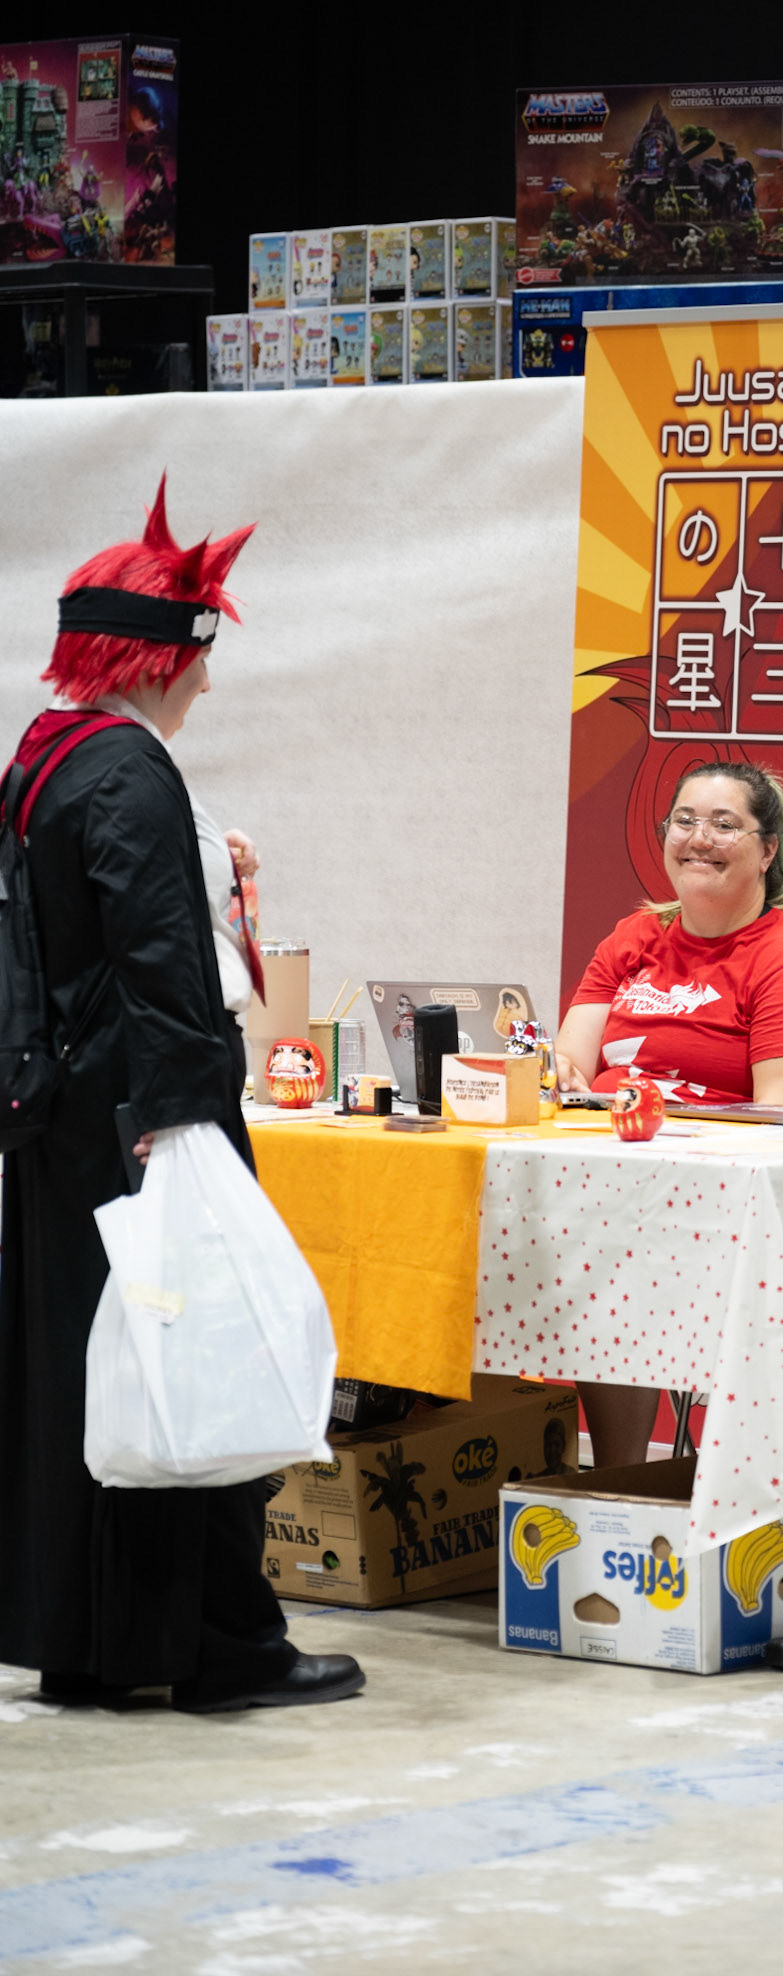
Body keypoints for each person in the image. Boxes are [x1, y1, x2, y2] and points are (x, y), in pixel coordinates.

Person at [0, 481, 364, 1712]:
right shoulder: (129, 771)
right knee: (198, 1352)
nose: (208, 680)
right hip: (146, 1117)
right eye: (200, 656)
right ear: (163, 655)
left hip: (63, 1116)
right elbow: (157, 959)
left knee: (87, 1367)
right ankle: (222, 1644)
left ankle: (95, 1641)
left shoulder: (45, 756)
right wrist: (188, 1115)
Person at [556, 762, 783, 1466]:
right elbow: (571, 1066)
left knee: (614, 1251)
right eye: (685, 821)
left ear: (768, 850)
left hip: (725, 1213)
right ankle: (617, 1483)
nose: (699, 838)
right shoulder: (633, 939)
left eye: (725, 825)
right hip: (616, 1190)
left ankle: (661, 1484)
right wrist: (564, 1076)